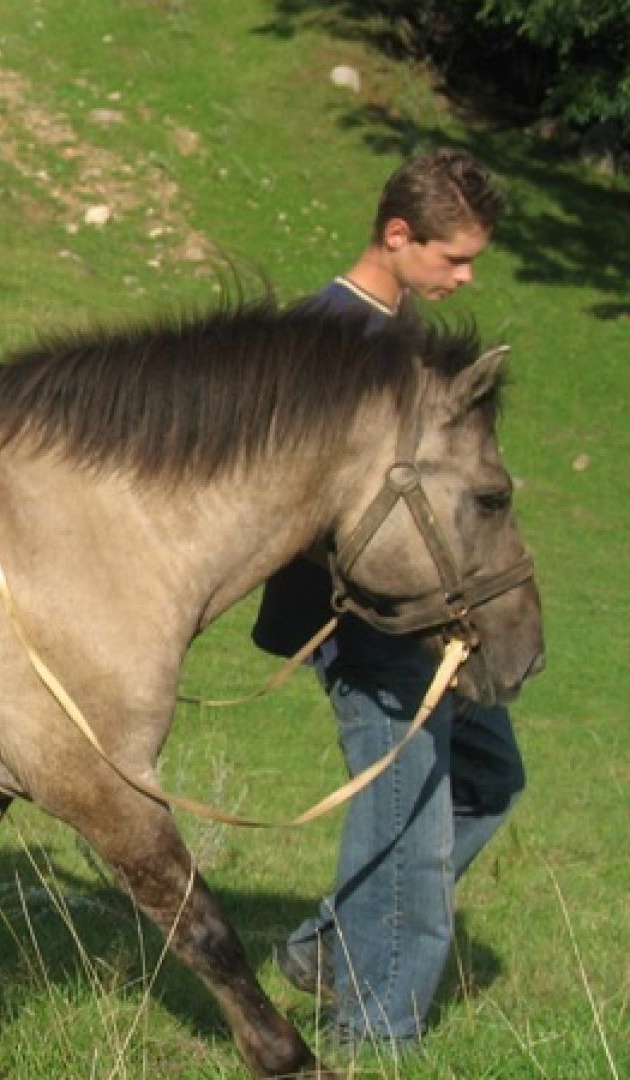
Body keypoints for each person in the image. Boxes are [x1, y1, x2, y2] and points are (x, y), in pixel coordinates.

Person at [256, 148, 525, 1049]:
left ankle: (329, 949)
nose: (466, 275)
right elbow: (278, 502)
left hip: (435, 621)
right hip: (369, 625)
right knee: (408, 820)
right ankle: (376, 1034)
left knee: (490, 777)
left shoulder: (406, 323)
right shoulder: (322, 338)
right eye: (454, 256)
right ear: (399, 236)